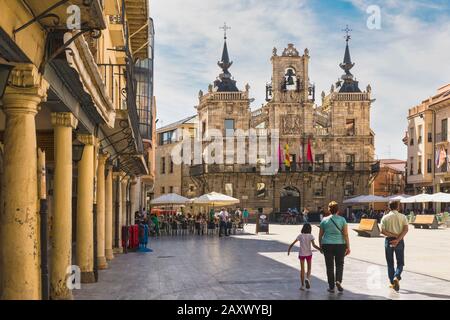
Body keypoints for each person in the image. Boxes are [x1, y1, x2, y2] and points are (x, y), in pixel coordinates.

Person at [319, 201, 351, 293]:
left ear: (329, 210)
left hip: (327, 244)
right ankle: (338, 281)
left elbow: (320, 235)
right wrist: (348, 247)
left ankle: (331, 286)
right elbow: (345, 234)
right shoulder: (342, 220)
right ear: (338, 210)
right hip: (340, 244)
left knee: (329, 266)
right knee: (340, 264)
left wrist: (321, 246)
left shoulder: (324, 220)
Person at [380, 201, 409, 292]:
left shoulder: (385, 217)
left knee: (390, 262)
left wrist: (392, 235)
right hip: (399, 241)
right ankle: (397, 276)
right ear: (397, 207)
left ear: (389, 207)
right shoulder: (403, 216)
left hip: (389, 240)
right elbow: (406, 229)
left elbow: (382, 231)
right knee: (400, 262)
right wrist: (398, 238)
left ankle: (392, 282)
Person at [288, 223, 321, 290]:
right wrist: (320, 249)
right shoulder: (310, 236)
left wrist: (289, 250)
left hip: (301, 254)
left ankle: (302, 285)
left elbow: (292, 243)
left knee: (302, 269)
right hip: (308, 254)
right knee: (309, 268)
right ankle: (307, 278)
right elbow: (314, 245)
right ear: (310, 229)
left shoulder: (300, 235)